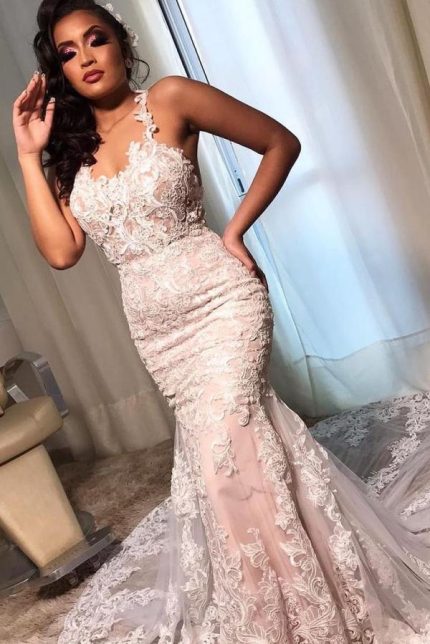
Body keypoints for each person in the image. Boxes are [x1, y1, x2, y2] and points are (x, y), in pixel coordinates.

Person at [12, 0, 430, 642]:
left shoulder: (171, 99)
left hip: (221, 300)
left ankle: (300, 615)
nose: (87, 57)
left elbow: (279, 142)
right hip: (160, 332)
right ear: (59, 68)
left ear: (122, 43)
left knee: (224, 452)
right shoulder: (69, 153)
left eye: (97, 39)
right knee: (247, 454)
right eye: (69, 52)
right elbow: (62, 252)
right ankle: (293, 590)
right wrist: (27, 154)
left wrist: (235, 230)